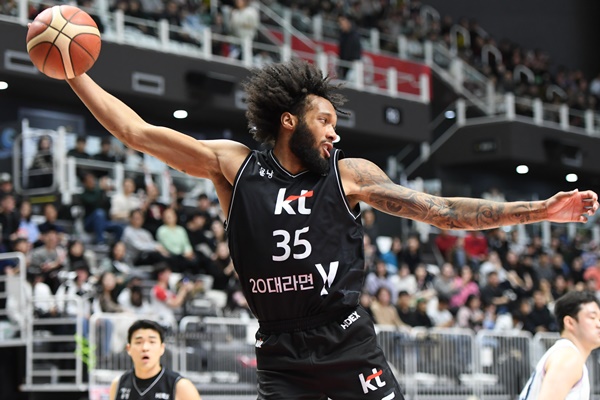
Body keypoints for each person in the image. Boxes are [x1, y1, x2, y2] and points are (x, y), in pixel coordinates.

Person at [66, 59, 598, 400]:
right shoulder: (234, 166)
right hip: (280, 351)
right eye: (325, 120)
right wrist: (72, 71)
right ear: (289, 121)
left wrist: (538, 210)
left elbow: (440, 211)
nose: (334, 133)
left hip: (345, 341)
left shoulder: (349, 176)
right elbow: (135, 131)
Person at [519, 290, 600, 400]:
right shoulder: (568, 358)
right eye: (592, 318)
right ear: (570, 322)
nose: (599, 324)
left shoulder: (564, 353)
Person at [109, 319, 202, 400]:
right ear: (128, 349)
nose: (145, 348)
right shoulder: (118, 384)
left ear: (162, 348)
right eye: (138, 342)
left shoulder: (181, 386)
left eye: (152, 342)